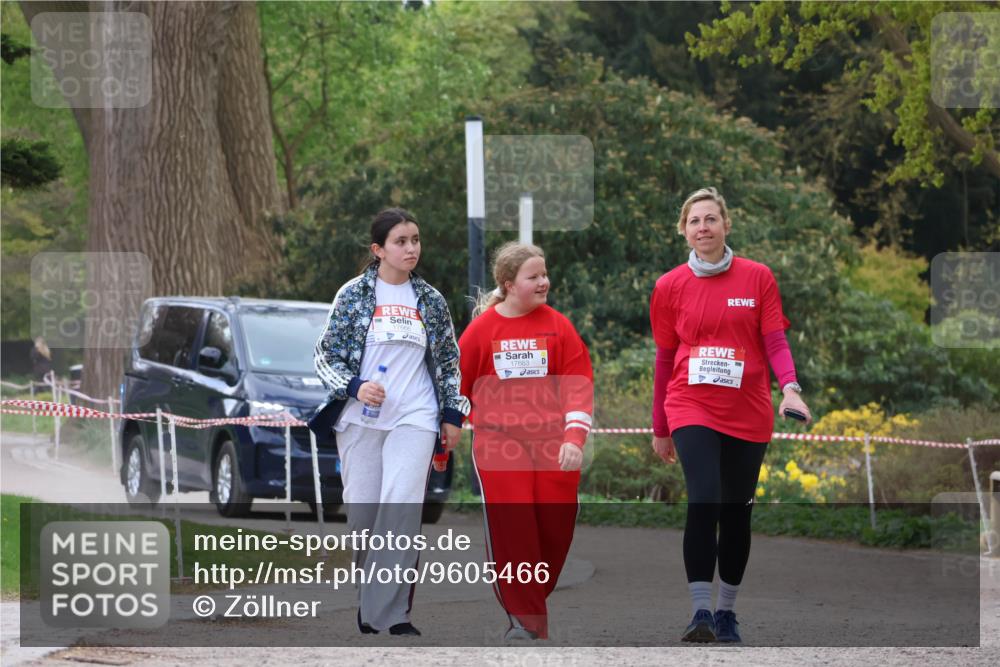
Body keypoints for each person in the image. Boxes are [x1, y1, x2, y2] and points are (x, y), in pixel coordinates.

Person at [649, 187, 811, 643]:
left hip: (748, 409)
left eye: (711, 219)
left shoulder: (757, 277)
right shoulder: (669, 286)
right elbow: (664, 359)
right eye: (695, 221)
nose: (703, 228)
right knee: (704, 497)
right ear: (684, 229)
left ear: (726, 225)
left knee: (737, 512)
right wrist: (660, 425)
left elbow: (775, 341)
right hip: (690, 403)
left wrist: (791, 389)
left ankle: (726, 613)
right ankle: (700, 612)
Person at [311, 207, 469, 636]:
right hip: (361, 418)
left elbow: (450, 363)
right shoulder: (354, 295)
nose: (411, 248)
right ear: (378, 249)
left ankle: (393, 613)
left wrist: (453, 413)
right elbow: (324, 355)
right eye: (401, 241)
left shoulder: (431, 300)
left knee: (401, 509)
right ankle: (370, 599)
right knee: (364, 517)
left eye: (415, 240)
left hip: (415, 416)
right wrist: (354, 385)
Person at [458, 242, 593, 641]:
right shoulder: (482, 331)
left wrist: (574, 437)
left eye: (544, 274)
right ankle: (526, 620)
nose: (544, 282)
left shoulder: (559, 326)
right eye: (533, 276)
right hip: (500, 448)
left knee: (554, 533)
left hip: (554, 447)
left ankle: (531, 600)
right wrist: (449, 432)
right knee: (515, 532)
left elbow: (578, 387)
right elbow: (456, 388)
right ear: (508, 284)